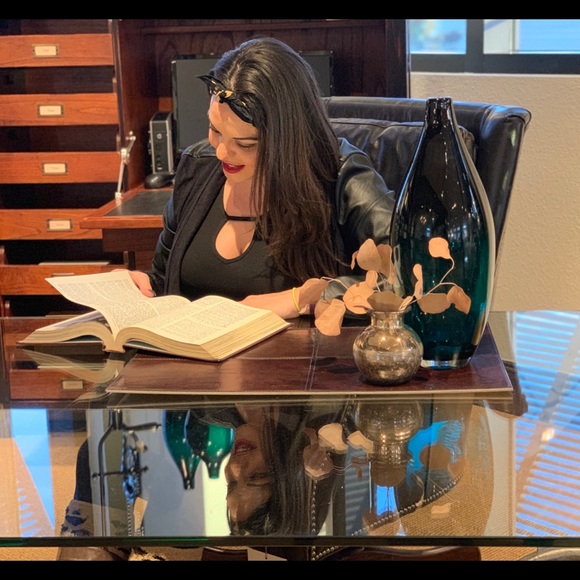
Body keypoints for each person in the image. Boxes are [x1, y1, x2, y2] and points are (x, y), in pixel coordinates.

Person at [127, 36, 395, 318]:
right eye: (215, 131)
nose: (221, 152)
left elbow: (411, 274)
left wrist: (300, 299)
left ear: (287, 140)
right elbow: (163, 278)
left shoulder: (340, 176)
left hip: (296, 347)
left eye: (245, 144)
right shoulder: (197, 167)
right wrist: (144, 285)